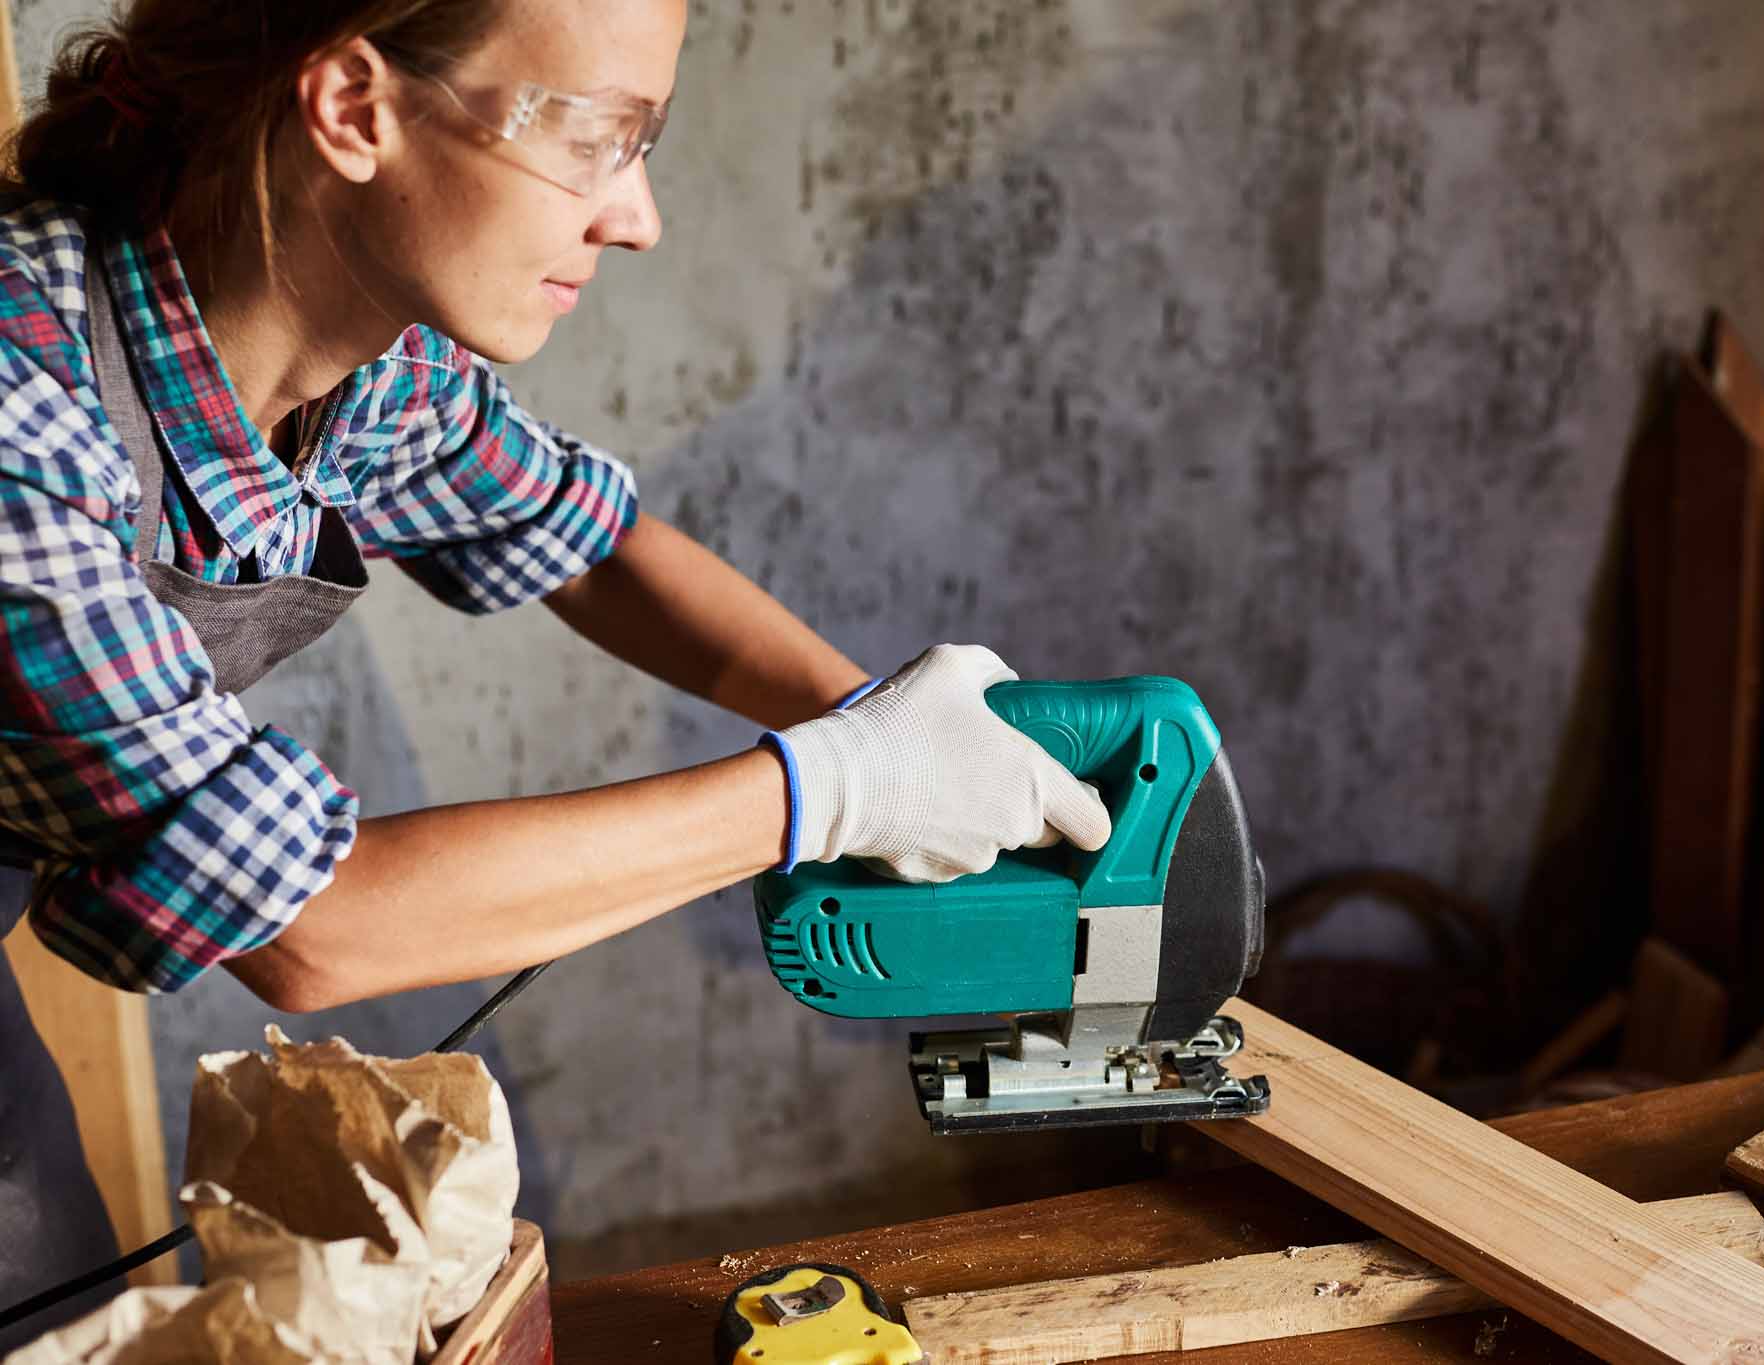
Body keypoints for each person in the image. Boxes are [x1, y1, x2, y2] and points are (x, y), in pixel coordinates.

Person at [0, 0, 1111, 1340]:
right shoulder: (21, 410)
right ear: (354, 109)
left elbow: (592, 548)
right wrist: (839, 787)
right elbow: (313, 928)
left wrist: (896, 724)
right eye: (595, 139)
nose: (635, 217)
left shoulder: (362, 361)